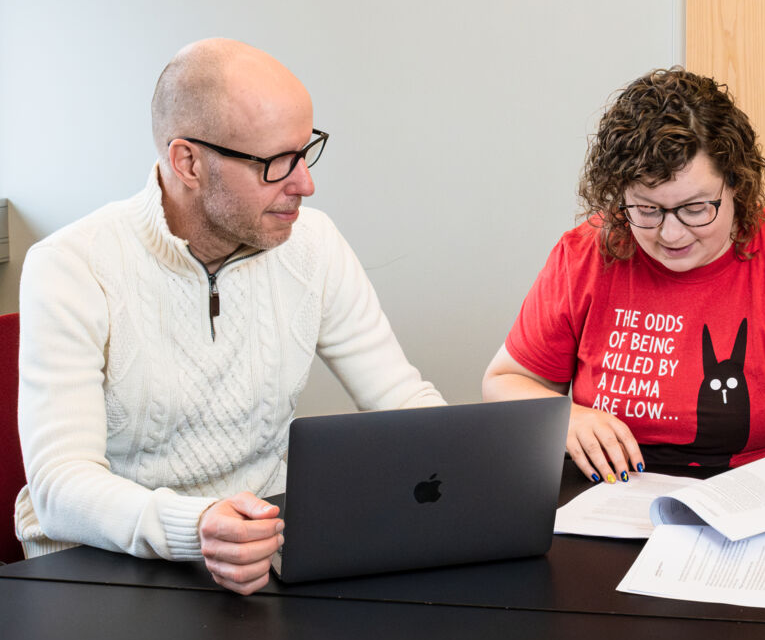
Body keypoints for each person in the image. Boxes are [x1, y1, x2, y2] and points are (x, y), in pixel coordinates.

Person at [14, 38, 447, 596]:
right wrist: (197, 527)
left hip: (260, 555)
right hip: (97, 570)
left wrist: (474, 474)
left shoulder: (313, 245)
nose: (305, 184)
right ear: (187, 162)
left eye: (305, 150)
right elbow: (60, 487)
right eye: (274, 163)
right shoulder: (72, 266)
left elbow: (402, 403)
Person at [482, 68, 765, 484]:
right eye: (646, 209)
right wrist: (566, 416)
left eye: (695, 208)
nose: (671, 233)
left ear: (736, 185)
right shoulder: (585, 257)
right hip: (613, 505)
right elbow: (504, 381)